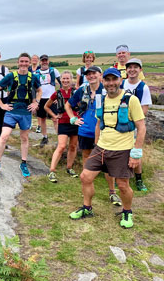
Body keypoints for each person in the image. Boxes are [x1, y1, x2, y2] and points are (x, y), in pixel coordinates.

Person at [69, 68, 146, 229]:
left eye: (114, 79)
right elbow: (98, 123)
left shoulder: (130, 100)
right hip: (102, 148)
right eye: (108, 80)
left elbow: (141, 127)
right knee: (85, 177)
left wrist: (136, 153)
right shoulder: (101, 100)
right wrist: (97, 144)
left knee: (123, 185)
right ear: (103, 81)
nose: (111, 83)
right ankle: (87, 208)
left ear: (120, 80)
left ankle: (127, 211)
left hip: (123, 149)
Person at [65, 66, 121, 206]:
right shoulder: (83, 90)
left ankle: (112, 192)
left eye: (93, 73)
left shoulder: (107, 89)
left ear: (100, 75)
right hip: (84, 130)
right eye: (88, 74)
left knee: (106, 161)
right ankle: (87, 185)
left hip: (102, 131)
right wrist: (73, 119)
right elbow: (68, 105)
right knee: (86, 156)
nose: (91, 76)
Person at [0, 52, 42, 178]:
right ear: (18, 63)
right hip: (11, 111)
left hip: (26, 112)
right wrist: (2, 105)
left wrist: (37, 103)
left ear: (29, 63)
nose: (23, 64)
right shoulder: (10, 76)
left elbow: (39, 90)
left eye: (26, 62)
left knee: (24, 138)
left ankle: (23, 163)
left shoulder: (33, 77)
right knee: (4, 136)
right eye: (21, 61)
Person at [121, 58, 152, 191]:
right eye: (129, 67)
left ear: (140, 70)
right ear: (126, 69)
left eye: (135, 67)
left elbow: (144, 109)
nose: (132, 69)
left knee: (135, 151)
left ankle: (139, 179)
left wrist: (133, 123)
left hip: (134, 125)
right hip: (121, 123)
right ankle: (121, 177)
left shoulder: (143, 87)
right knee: (121, 151)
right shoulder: (121, 84)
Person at [44, 71, 79, 182]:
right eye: (63, 78)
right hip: (63, 122)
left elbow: (82, 105)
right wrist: (54, 116)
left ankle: (69, 168)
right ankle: (52, 171)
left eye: (67, 78)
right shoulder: (57, 94)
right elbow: (46, 106)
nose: (65, 81)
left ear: (71, 80)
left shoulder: (76, 93)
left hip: (75, 122)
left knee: (73, 146)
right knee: (62, 146)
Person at [34, 54, 61, 146]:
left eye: (46, 60)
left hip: (52, 98)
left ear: (48, 61)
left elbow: (61, 83)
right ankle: (45, 137)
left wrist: (58, 96)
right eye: (42, 60)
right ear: (40, 62)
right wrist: (35, 101)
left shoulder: (53, 71)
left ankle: (59, 138)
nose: (44, 62)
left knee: (55, 118)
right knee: (42, 118)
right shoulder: (36, 73)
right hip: (41, 98)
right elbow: (33, 88)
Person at [29, 54, 41, 133]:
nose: (34, 60)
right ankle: (29, 123)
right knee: (29, 106)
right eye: (33, 58)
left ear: (38, 60)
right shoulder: (28, 68)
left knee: (38, 107)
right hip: (30, 89)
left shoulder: (40, 68)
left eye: (36, 59)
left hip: (39, 89)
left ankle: (39, 126)